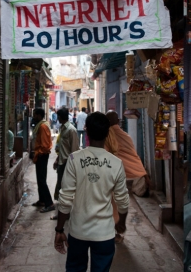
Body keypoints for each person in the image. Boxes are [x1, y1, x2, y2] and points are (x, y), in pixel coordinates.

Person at [54, 112, 129, 271]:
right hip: (104, 234)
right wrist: (121, 222)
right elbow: (122, 200)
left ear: (86, 131)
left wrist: (59, 229)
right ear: (108, 132)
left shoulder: (74, 159)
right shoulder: (116, 164)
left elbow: (65, 198)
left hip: (78, 232)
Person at [104, 111, 150, 243]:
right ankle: (117, 229)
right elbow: (133, 156)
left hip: (109, 174)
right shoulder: (126, 136)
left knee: (110, 204)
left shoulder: (105, 136)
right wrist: (143, 173)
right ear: (118, 121)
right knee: (120, 203)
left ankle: (114, 231)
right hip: (121, 175)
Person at [52, 107, 80, 219]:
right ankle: (63, 213)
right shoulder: (63, 129)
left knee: (65, 190)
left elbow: (74, 150)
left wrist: (72, 167)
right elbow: (63, 148)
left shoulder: (71, 130)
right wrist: (57, 159)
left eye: (58, 116)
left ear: (60, 117)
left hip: (67, 164)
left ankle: (64, 214)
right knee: (61, 188)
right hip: (61, 163)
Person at [30, 108, 55, 213]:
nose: (33, 117)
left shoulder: (43, 126)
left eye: (35, 115)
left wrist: (38, 154)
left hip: (42, 155)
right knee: (40, 178)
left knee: (41, 180)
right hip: (40, 155)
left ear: (39, 115)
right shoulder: (41, 125)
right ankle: (42, 200)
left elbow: (44, 145)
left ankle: (49, 203)